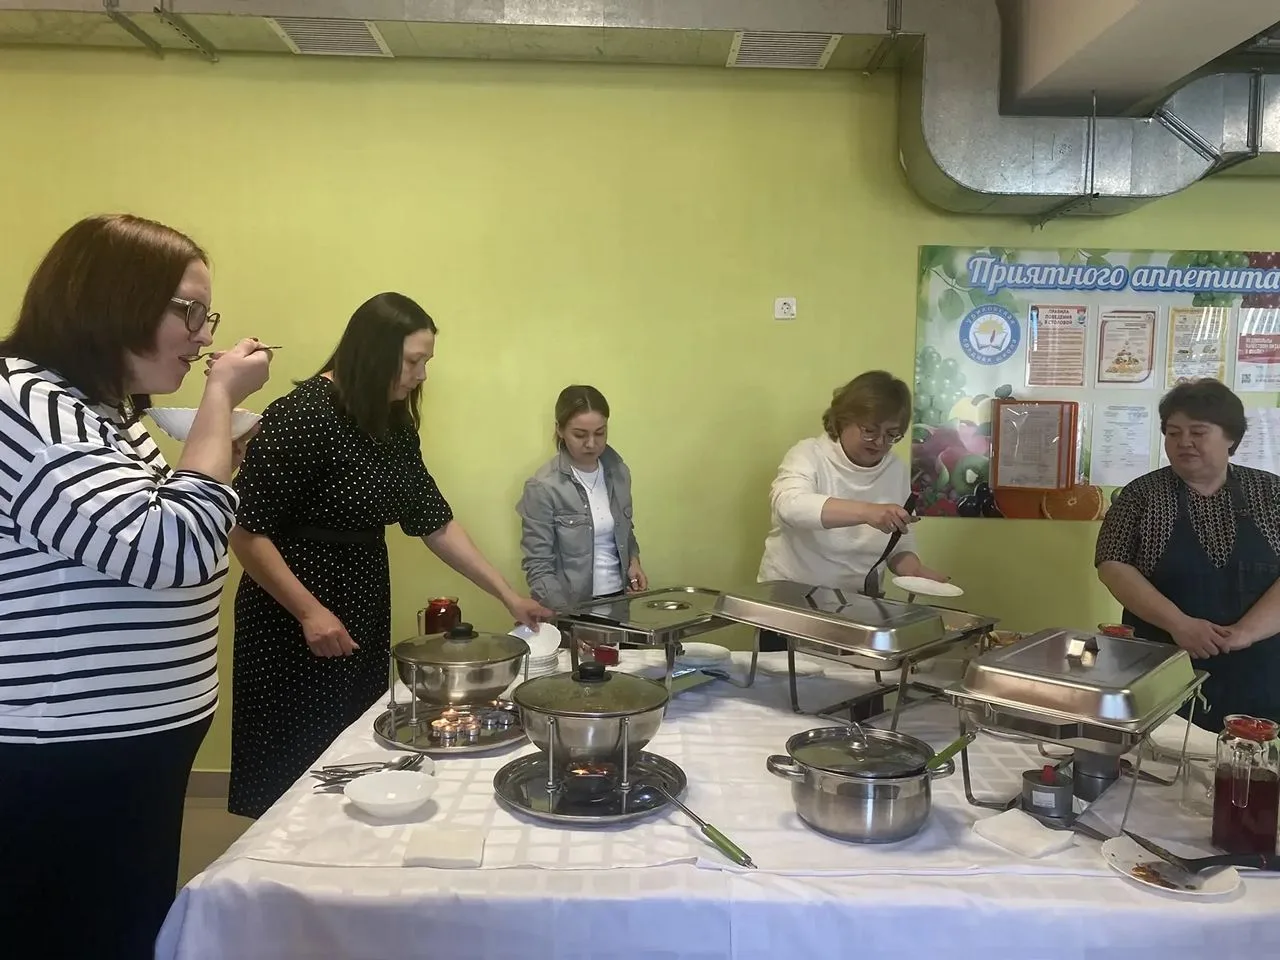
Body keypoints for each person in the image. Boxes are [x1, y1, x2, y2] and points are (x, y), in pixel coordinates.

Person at [0, 214, 272, 960]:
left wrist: (216, 452)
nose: (204, 335)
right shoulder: (23, 402)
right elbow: (172, 549)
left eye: (206, 315)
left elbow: (169, 528)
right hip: (61, 744)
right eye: (189, 311)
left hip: (126, 739)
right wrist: (219, 400)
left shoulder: (104, 413)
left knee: (123, 925)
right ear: (110, 297)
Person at [228, 292, 551, 818]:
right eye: (413, 361)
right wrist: (309, 612)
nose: (421, 375)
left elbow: (434, 521)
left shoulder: (391, 422)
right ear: (374, 352)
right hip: (292, 613)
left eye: (426, 362)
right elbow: (246, 532)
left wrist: (508, 596)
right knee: (294, 767)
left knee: (351, 751)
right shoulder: (301, 414)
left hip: (360, 601)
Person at [1096, 378, 1280, 732]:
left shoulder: (1271, 493)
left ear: (1231, 437)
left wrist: (1245, 632)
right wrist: (1179, 624)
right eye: (1173, 432)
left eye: (1198, 432)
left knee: (1250, 760)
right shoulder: (1141, 495)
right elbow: (1112, 564)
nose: (1184, 442)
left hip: (1262, 672)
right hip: (1161, 666)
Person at [756, 371, 949, 650]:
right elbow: (789, 505)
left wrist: (914, 570)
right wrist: (867, 512)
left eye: (891, 435)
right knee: (785, 677)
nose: (880, 443)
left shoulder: (895, 470)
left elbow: (898, 541)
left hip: (857, 611)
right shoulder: (809, 454)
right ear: (843, 419)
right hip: (790, 606)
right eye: (870, 430)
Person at [517, 384, 646, 611]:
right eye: (580, 434)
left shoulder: (619, 472)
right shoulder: (543, 486)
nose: (591, 443)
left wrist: (633, 562)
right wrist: (565, 615)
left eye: (600, 433)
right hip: (571, 608)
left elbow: (625, 531)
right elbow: (539, 565)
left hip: (619, 601)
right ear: (559, 429)